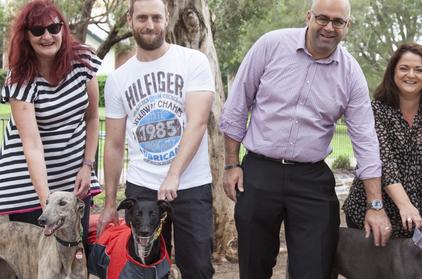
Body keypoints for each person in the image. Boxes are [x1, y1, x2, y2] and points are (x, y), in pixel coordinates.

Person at [219, 0, 391, 277]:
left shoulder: (351, 73)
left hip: (311, 179)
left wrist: (376, 205)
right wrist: (231, 164)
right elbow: (237, 106)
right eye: (322, 18)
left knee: (314, 269)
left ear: (348, 26)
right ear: (308, 16)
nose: (329, 27)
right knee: (253, 265)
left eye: (338, 22)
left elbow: (366, 141)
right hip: (260, 172)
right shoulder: (270, 45)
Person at [97, 0, 215, 277]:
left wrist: (174, 174)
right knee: (141, 269)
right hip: (142, 188)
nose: (149, 25)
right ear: (130, 20)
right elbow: (113, 146)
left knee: (197, 268)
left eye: (156, 18)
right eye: (142, 18)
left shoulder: (193, 61)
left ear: (166, 18)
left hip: (190, 184)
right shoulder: (118, 79)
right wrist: (110, 203)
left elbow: (197, 122)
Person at [0, 0, 101, 251]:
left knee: (76, 255)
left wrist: (87, 166)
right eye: (38, 30)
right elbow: (31, 144)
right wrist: (48, 203)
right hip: (28, 184)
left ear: (63, 30)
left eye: (54, 28)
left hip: (74, 176)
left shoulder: (83, 61)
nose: (47, 36)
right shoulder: (21, 78)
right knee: (37, 262)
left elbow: (91, 117)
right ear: (26, 36)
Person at [343, 42, 422, 238]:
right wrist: (405, 206)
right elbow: (384, 163)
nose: (411, 75)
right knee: (375, 269)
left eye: (419, 70)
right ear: (393, 72)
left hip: (420, 219)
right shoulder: (376, 110)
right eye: (404, 68)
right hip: (375, 212)